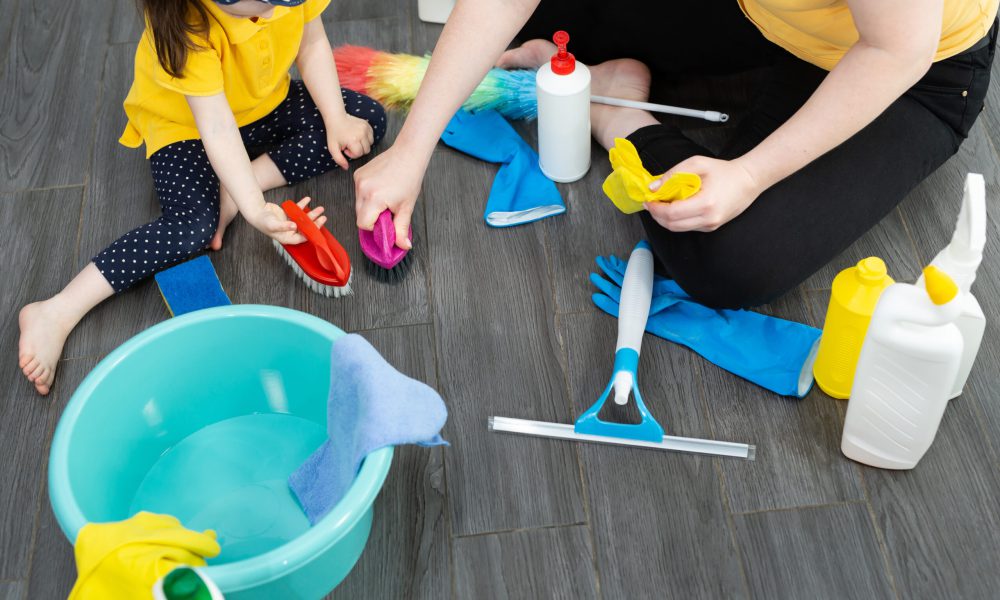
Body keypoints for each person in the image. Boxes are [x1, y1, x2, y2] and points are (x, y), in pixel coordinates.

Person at [353, 0, 997, 309]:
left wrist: (747, 174)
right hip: (768, 14)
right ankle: (608, 76)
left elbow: (896, 49)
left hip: (908, 64)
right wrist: (413, 148)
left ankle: (614, 108)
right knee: (549, 11)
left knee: (729, 255)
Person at [18, 0, 387, 395]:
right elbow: (217, 127)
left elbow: (311, 43)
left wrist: (335, 119)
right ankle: (56, 311)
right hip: (189, 128)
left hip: (264, 106)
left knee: (365, 123)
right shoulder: (186, 24)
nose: (280, 5)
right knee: (193, 226)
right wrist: (256, 211)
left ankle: (234, 187)